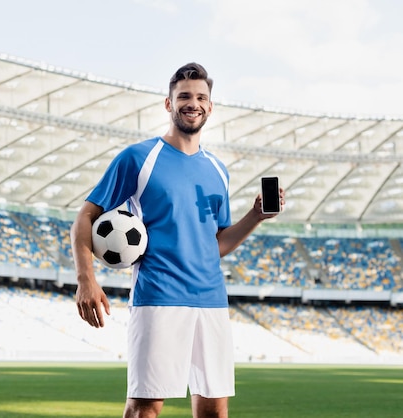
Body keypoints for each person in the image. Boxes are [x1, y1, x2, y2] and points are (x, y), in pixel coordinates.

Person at [70, 62, 284, 418]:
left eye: (201, 97)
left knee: (215, 411)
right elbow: (84, 218)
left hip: (212, 302)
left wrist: (255, 217)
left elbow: (214, 245)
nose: (193, 103)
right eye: (184, 96)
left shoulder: (218, 170)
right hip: (159, 297)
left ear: (211, 107)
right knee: (144, 409)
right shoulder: (139, 158)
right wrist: (85, 278)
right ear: (169, 104)